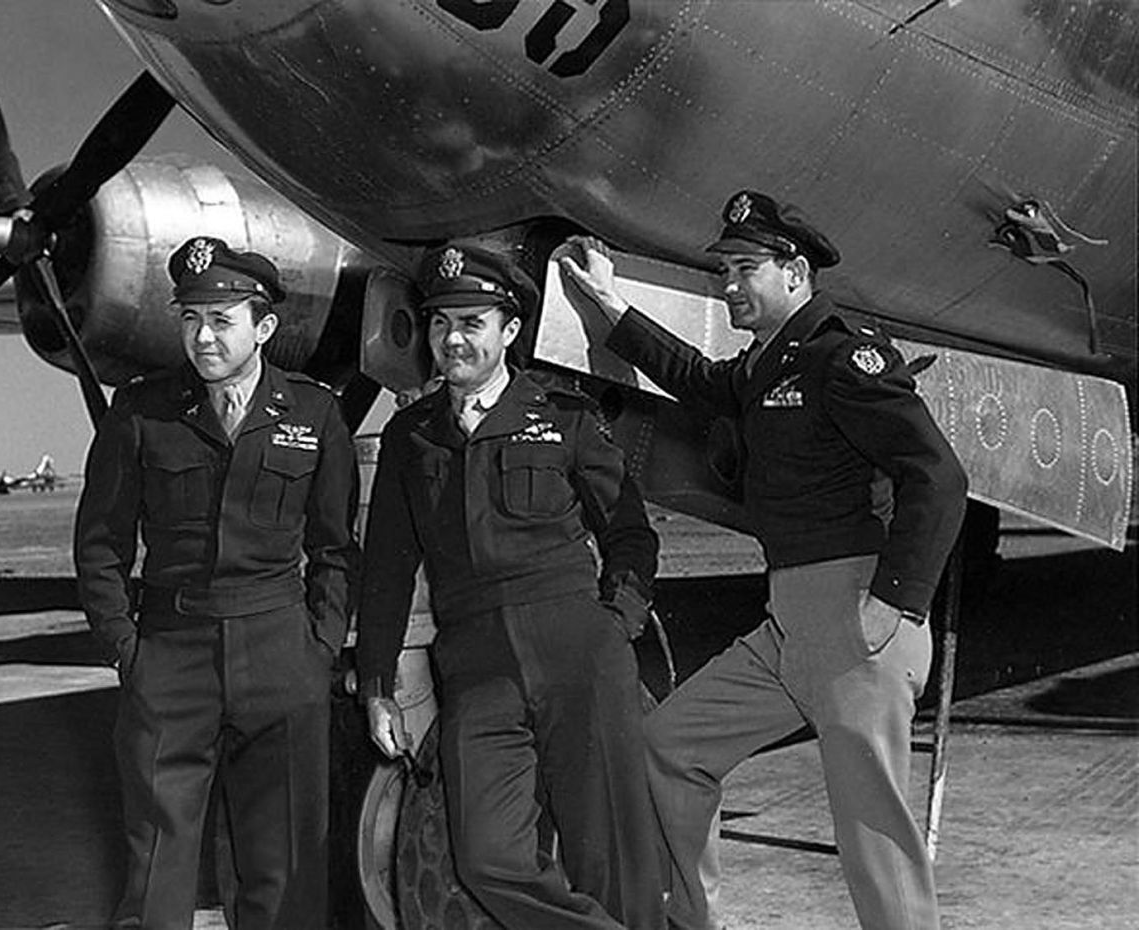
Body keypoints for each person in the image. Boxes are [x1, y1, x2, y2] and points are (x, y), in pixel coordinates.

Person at [558, 190, 968, 930]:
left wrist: (895, 602)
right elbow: (693, 376)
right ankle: (694, 919)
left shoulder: (844, 360)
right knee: (669, 748)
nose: (731, 285)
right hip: (788, 630)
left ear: (796, 272)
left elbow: (937, 475)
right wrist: (609, 307)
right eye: (726, 271)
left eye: (746, 269)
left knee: (874, 840)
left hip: (856, 625)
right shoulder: (767, 367)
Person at [355, 242, 666, 930]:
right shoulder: (413, 437)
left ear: (509, 330)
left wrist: (617, 621)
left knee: (613, 857)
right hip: (477, 667)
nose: (453, 340)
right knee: (488, 858)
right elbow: (385, 570)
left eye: (471, 323)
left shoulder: (563, 415)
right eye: (440, 324)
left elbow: (630, 533)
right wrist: (377, 684)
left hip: (579, 650)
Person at [75, 236, 359, 930]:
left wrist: (317, 648)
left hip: (280, 657)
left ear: (263, 328)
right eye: (191, 319)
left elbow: (335, 550)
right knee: (155, 868)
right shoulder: (141, 413)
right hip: (172, 656)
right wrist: (128, 652)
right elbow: (101, 545)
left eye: (220, 321)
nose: (202, 337)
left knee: (285, 866)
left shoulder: (316, 415)